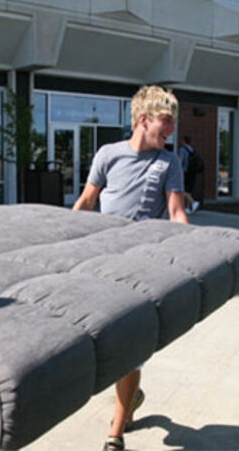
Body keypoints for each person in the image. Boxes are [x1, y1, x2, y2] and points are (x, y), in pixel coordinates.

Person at [72, 85, 188, 451]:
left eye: (172, 124)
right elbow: (87, 200)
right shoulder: (108, 154)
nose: (170, 131)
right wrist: (65, 244)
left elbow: (176, 212)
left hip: (141, 267)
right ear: (143, 119)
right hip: (102, 260)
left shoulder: (170, 162)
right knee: (99, 338)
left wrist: (194, 249)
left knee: (129, 344)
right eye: (165, 123)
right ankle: (132, 397)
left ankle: (116, 432)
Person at [178, 135, 200, 214]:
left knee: (182, 189)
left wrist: (177, 170)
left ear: (184, 141)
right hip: (192, 172)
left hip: (185, 171)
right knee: (188, 190)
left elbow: (181, 160)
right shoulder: (192, 150)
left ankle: (193, 202)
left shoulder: (182, 149)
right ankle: (188, 208)